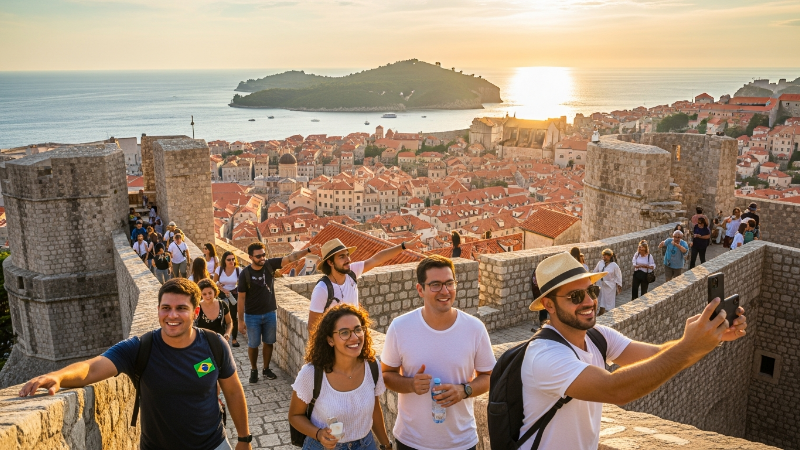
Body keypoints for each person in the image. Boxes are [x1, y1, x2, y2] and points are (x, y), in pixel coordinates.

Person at [519, 252, 747, 450]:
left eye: (592, 290)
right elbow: (614, 389)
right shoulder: (545, 355)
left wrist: (706, 338)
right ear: (549, 305)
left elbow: (656, 356)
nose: (589, 302)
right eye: (576, 297)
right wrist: (689, 346)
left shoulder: (598, 336)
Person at [19, 278, 253, 450]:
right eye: (166, 308)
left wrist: (244, 439)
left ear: (195, 312)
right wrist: (59, 376)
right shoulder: (141, 347)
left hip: (213, 445)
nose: (172, 315)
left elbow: (232, 391)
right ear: (158, 310)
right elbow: (93, 367)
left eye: (181, 308)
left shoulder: (214, 344)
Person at [381, 255, 496, 450]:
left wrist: (464, 390)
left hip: (460, 442)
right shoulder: (400, 327)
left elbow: (490, 377)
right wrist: (411, 384)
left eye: (449, 283)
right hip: (411, 441)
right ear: (420, 290)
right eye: (435, 284)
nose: (445, 291)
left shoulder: (474, 328)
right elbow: (386, 375)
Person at [289, 304, 393, 450]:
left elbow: (374, 409)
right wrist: (318, 434)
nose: (355, 337)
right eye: (344, 332)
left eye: (358, 329)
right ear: (330, 340)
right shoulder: (312, 374)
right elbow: (294, 415)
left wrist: (386, 445)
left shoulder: (372, 366)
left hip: (366, 445)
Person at [238, 242, 323, 383]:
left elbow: (291, 258)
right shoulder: (245, 274)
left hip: (270, 312)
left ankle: (266, 369)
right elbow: (241, 298)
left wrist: (307, 250)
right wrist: (240, 320)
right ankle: (254, 369)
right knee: (253, 344)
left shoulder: (270, 265)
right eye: (258, 256)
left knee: (269, 342)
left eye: (263, 255)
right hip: (252, 315)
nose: (262, 258)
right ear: (250, 257)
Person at [307, 237, 419, 333]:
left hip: (356, 337)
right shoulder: (322, 289)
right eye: (342, 257)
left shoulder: (352, 273)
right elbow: (312, 327)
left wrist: (403, 246)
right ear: (330, 262)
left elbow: (377, 259)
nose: (348, 260)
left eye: (347, 255)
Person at [215, 251, 242, 348]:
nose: (232, 261)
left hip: (233, 295)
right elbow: (214, 282)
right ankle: (222, 337)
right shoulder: (220, 269)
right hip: (221, 295)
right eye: (229, 259)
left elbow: (242, 284)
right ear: (224, 261)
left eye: (233, 259)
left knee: (234, 317)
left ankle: (234, 339)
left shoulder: (238, 270)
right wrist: (222, 288)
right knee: (221, 316)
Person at [592, 249, 621, 315]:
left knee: (608, 301)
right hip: (601, 284)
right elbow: (595, 271)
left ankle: (609, 313)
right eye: (603, 256)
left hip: (610, 286)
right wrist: (593, 280)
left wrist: (619, 284)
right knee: (601, 299)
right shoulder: (600, 263)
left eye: (605, 256)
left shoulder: (614, 265)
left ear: (610, 256)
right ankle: (600, 312)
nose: (604, 257)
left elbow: (618, 275)